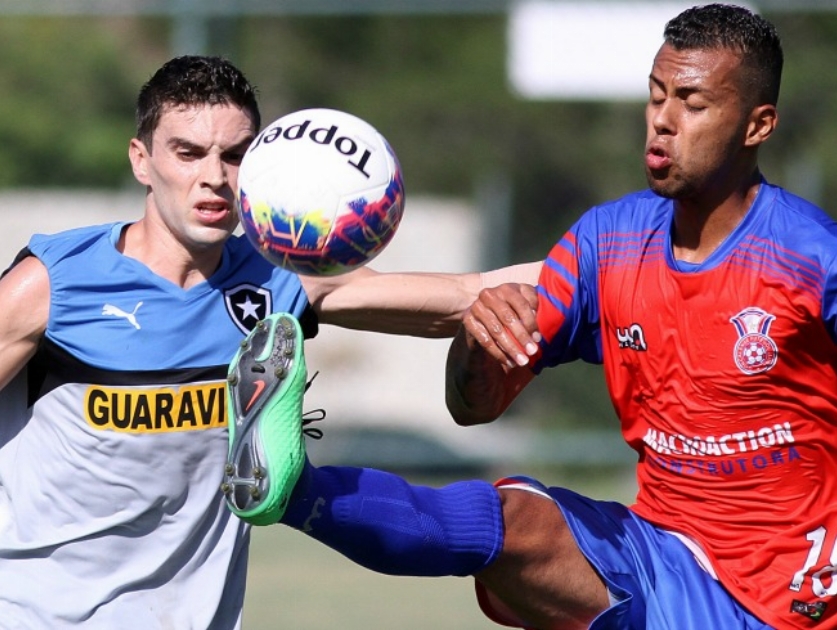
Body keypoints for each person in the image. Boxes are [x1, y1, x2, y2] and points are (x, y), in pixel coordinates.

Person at [240, 4, 837, 629]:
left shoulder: (810, 259)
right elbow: (473, 406)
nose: (662, 120)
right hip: (656, 551)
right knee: (510, 518)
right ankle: (285, 487)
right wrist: (478, 338)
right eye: (656, 96)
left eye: (692, 103)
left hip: (791, 599)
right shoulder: (609, 241)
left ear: (757, 125)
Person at [0, 55, 540, 629]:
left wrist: (631, 254)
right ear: (142, 160)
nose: (215, 176)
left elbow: (469, 296)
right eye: (188, 153)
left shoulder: (278, 279)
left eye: (234, 155)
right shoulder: (54, 284)